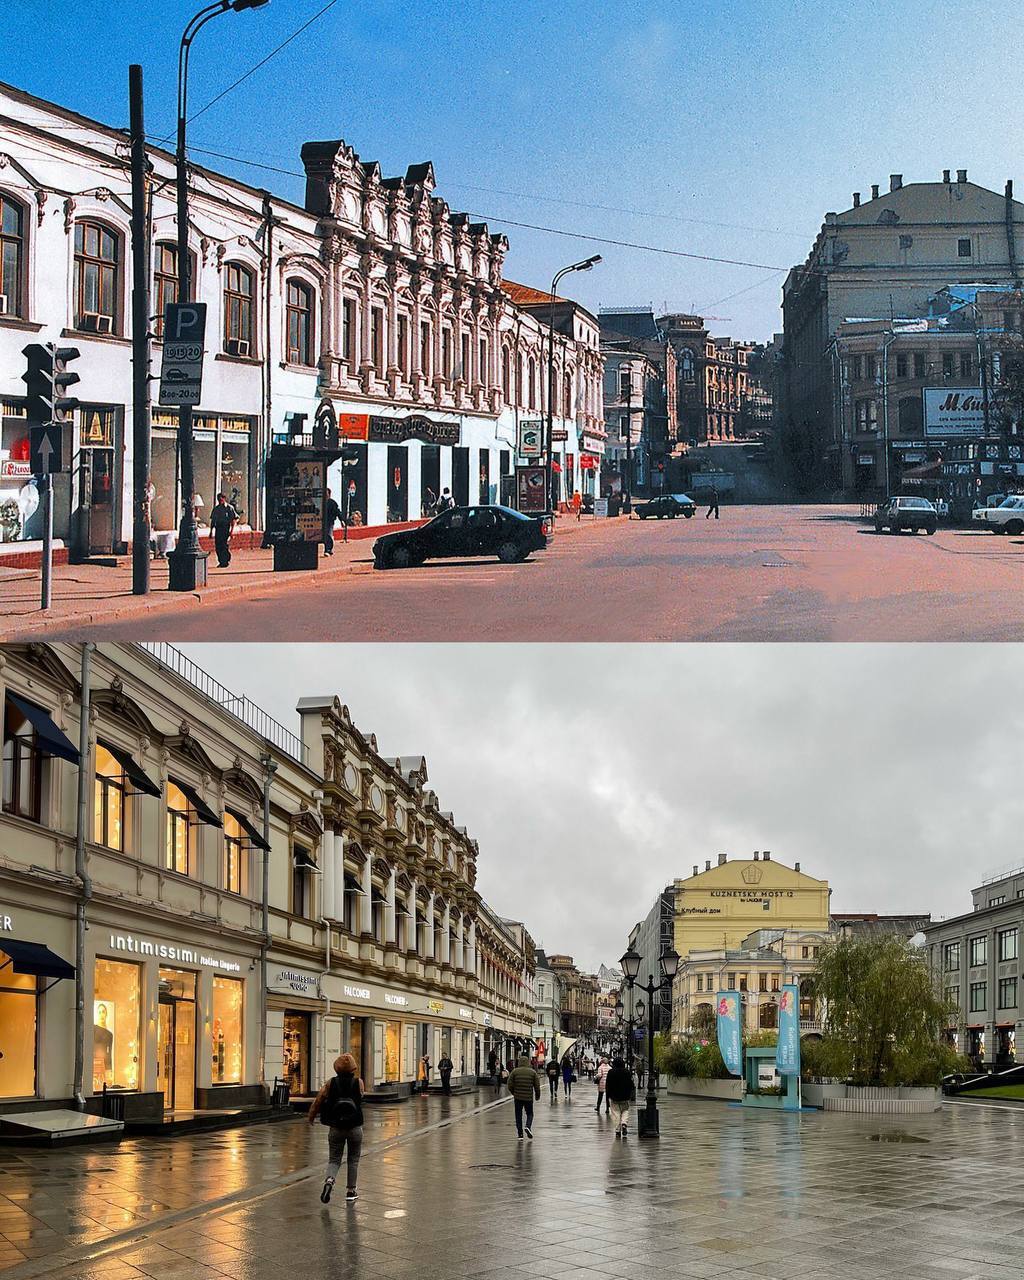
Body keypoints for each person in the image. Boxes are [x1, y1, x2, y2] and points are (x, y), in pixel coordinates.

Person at [309, 1052, 364, 1204]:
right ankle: (351, 1191)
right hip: (355, 1126)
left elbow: (318, 1100)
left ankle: (329, 1181)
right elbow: (361, 1097)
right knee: (353, 1160)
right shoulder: (358, 1082)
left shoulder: (330, 1083)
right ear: (353, 1068)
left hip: (336, 1127)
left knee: (334, 1159)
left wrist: (311, 1117)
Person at [506, 1054, 541, 1140]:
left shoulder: (514, 1072)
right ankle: (528, 1126)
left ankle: (520, 1135)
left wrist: (514, 1092)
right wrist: (537, 1096)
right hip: (528, 1097)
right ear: (528, 1062)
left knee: (518, 1115)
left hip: (518, 1097)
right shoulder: (533, 1072)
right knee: (530, 1113)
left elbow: (509, 1084)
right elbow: (537, 1086)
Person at [605, 1055, 634, 1137]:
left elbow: (608, 1085)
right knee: (625, 1110)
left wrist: (607, 1096)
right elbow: (631, 1084)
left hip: (614, 1096)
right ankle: (624, 1123)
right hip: (625, 1096)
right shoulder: (627, 1072)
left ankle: (618, 1130)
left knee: (615, 1113)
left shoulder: (611, 1072)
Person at [209, 492, 237, 568]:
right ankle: (221, 561)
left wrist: (231, 531)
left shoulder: (229, 508)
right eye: (218, 499)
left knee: (224, 545)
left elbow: (233, 519)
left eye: (221, 499)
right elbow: (213, 520)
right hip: (218, 528)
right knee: (218, 546)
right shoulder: (216, 509)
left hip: (225, 528)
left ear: (224, 499)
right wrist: (211, 531)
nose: (220, 501)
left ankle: (226, 560)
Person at [322, 488, 342, 556]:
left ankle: (328, 549)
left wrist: (341, 520)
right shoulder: (321, 502)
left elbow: (337, 512)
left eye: (326, 493)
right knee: (325, 536)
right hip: (322, 522)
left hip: (330, 522)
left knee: (328, 535)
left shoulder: (332, 503)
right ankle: (327, 549)